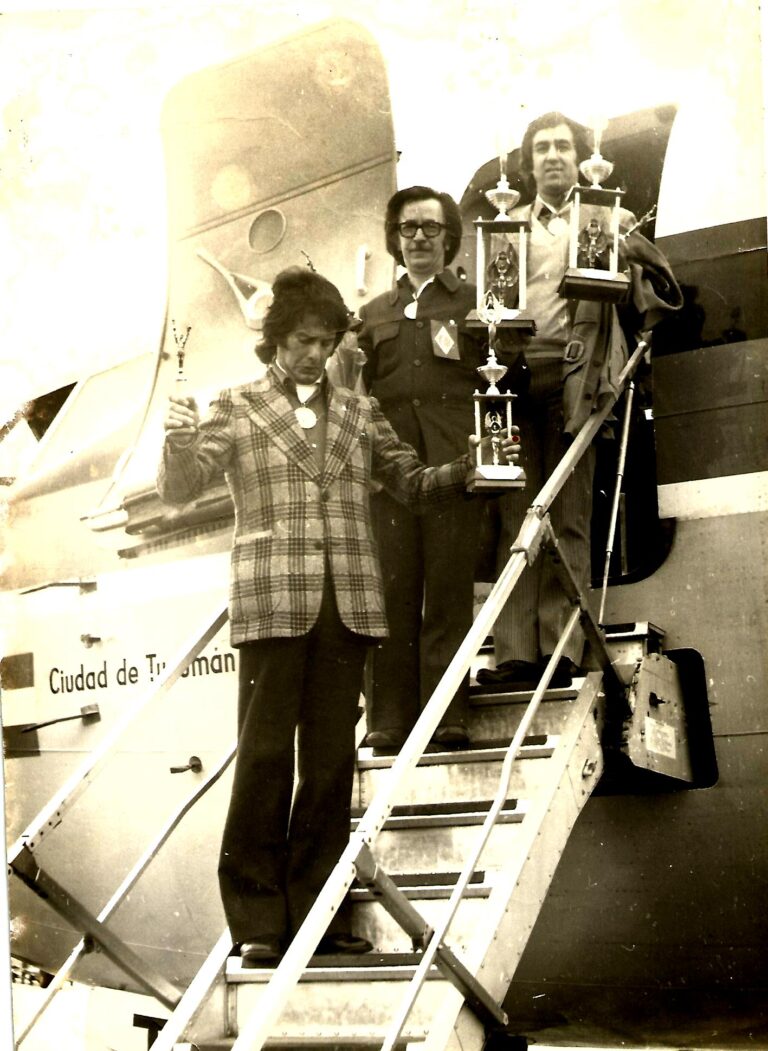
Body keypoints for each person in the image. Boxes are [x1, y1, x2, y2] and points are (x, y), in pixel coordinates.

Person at [157, 266, 520, 966]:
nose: (313, 355)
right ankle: (258, 921)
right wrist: (175, 439)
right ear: (274, 340)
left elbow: (412, 483)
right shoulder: (235, 405)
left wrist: (468, 469)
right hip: (273, 605)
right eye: (301, 341)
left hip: (347, 608)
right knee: (264, 762)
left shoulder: (359, 411)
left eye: (324, 343)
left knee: (328, 770)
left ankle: (318, 918)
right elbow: (182, 488)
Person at [477, 112, 682, 689]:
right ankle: (516, 653)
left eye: (563, 146)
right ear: (528, 163)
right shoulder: (507, 226)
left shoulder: (607, 217)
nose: (553, 156)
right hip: (516, 377)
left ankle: (561, 648)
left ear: (578, 158)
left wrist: (629, 247)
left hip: (580, 377)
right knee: (516, 513)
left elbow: (661, 295)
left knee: (568, 516)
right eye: (542, 148)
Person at [359, 185, 522, 751]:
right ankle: (389, 718)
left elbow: (505, 381)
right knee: (394, 594)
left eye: (432, 227)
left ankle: (447, 714)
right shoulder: (372, 315)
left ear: (449, 238)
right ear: (395, 238)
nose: (420, 237)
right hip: (390, 478)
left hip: (454, 471)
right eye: (409, 227)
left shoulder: (479, 304)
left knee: (448, 595)